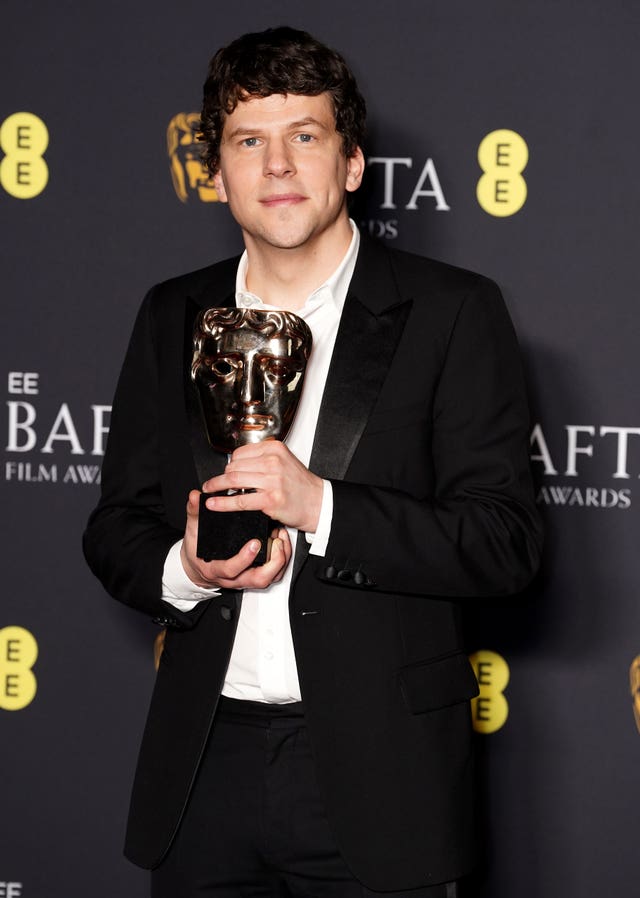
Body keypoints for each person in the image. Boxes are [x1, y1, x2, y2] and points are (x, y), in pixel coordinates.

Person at [83, 26, 542, 898]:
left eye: (306, 135)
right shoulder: (171, 313)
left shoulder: (453, 313)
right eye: (249, 140)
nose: (278, 165)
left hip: (380, 781)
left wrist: (323, 508)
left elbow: (505, 541)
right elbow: (115, 525)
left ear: (354, 162)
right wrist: (185, 566)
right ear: (215, 173)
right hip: (202, 774)